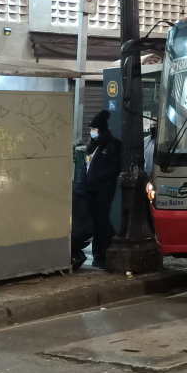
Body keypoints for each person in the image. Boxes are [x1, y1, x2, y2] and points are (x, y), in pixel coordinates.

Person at [83, 110, 122, 267]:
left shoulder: (113, 145)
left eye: (94, 129)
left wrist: (97, 177)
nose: (91, 132)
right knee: (97, 221)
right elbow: (86, 165)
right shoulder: (93, 146)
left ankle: (105, 252)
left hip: (103, 189)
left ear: (101, 130)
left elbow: (115, 167)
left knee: (101, 220)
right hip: (91, 188)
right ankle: (100, 254)